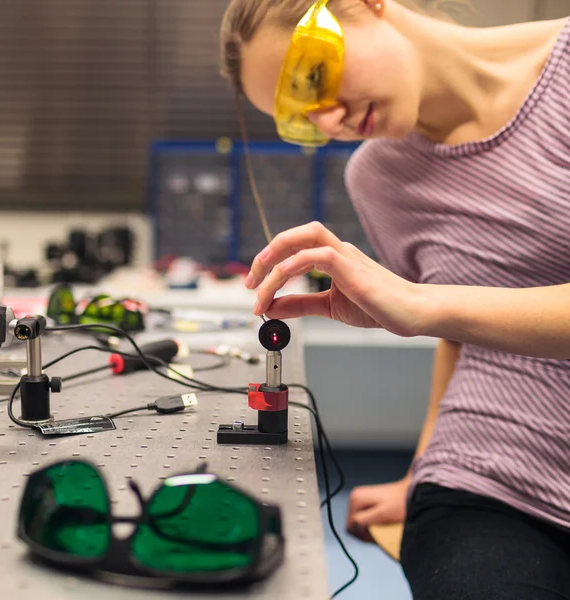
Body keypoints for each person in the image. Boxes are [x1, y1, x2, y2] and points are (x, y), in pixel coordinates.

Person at [220, 0, 570, 598]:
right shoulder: (379, 177)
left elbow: (440, 312)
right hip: (487, 483)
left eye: (312, 78)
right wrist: (419, 473)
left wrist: (424, 306)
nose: (328, 122)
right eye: (299, 117)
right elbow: (461, 337)